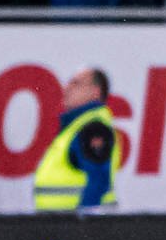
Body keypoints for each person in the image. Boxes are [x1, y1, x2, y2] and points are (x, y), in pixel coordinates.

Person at [34, 67, 119, 213]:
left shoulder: (93, 128)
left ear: (95, 91)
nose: (66, 88)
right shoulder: (78, 126)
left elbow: (99, 180)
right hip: (63, 225)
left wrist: (82, 229)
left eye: (76, 84)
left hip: (78, 227)